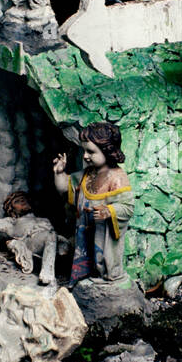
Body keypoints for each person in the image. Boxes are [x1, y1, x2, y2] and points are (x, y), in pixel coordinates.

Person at [52, 121, 134, 283]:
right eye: (84, 150)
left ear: (107, 151)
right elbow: (65, 188)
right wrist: (59, 173)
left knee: (102, 260)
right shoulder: (86, 174)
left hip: (103, 236)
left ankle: (105, 274)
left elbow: (127, 207)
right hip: (84, 234)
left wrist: (109, 211)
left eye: (91, 152)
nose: (85, 156)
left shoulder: (117, 177)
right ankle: (85, 274)